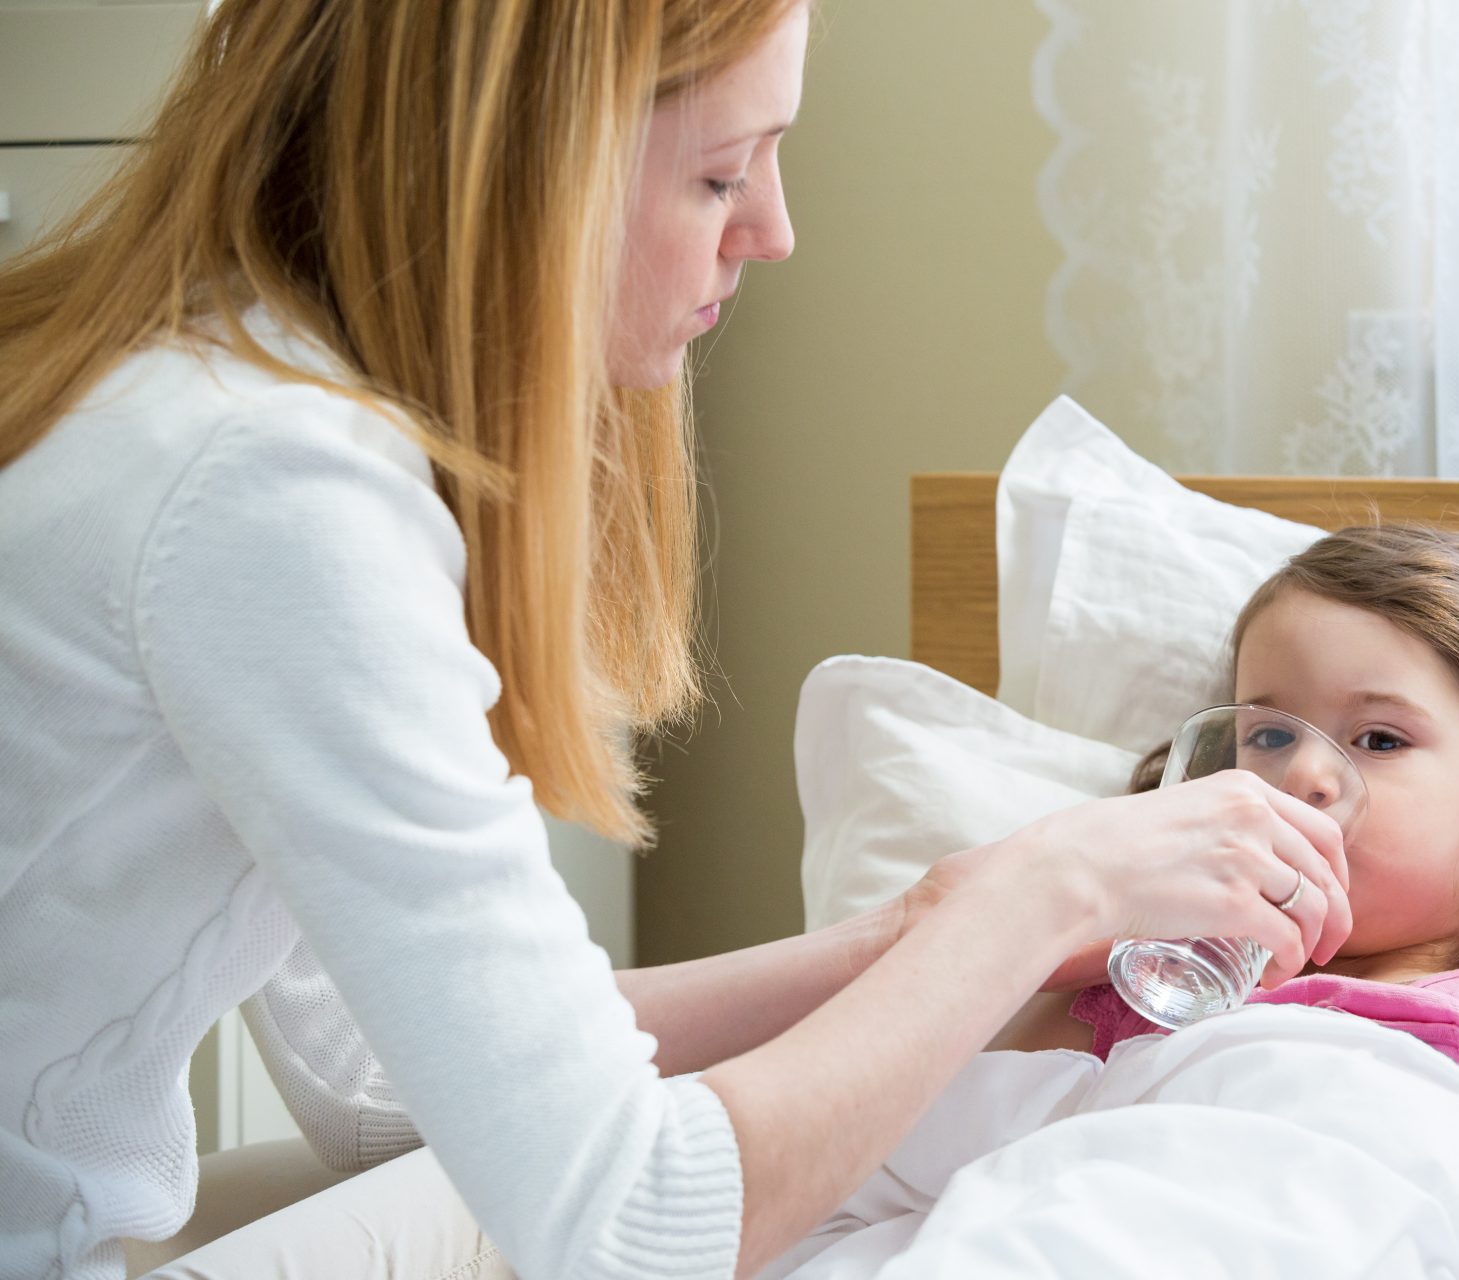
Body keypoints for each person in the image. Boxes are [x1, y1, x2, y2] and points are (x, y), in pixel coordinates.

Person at [0, 3, 1356, 1279]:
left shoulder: (207, 392)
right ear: (522, 168)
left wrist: (918, 930)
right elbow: (633, 1230)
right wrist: (1047, 890)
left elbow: (368, 1080)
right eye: (721, 173)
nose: (774, 230)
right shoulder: (276, 488)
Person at [989, 524, 1459, 1278]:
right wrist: (1073, 930)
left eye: (1379, 740)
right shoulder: (1149, 980)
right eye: (1270, 737)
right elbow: (968, 1144)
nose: (1302, 777)